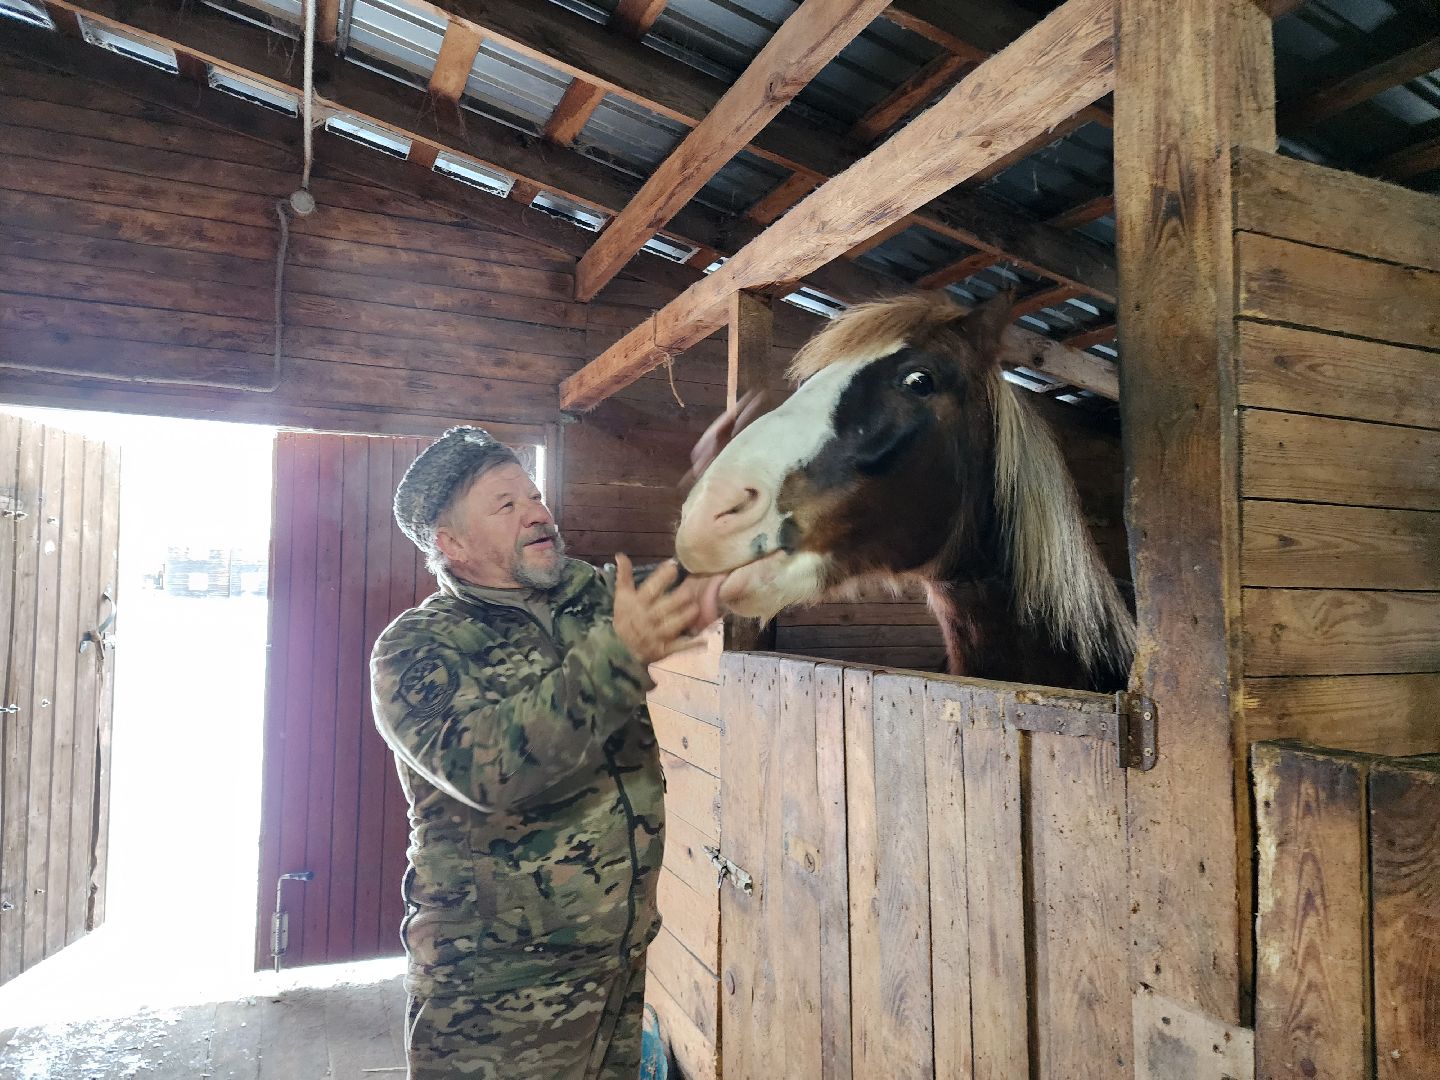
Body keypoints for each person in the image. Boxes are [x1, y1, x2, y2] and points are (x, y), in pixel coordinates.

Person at [370, 426, 718, 1080]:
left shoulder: (589, 596)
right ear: (454, 545)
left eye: (534, 494)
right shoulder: (416, 649)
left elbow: (703, 581)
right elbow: (490, 767)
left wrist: (727, 495)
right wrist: (618, 655)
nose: (538, 511)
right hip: (499, 997)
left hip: (616, 963)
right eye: (505, 504)